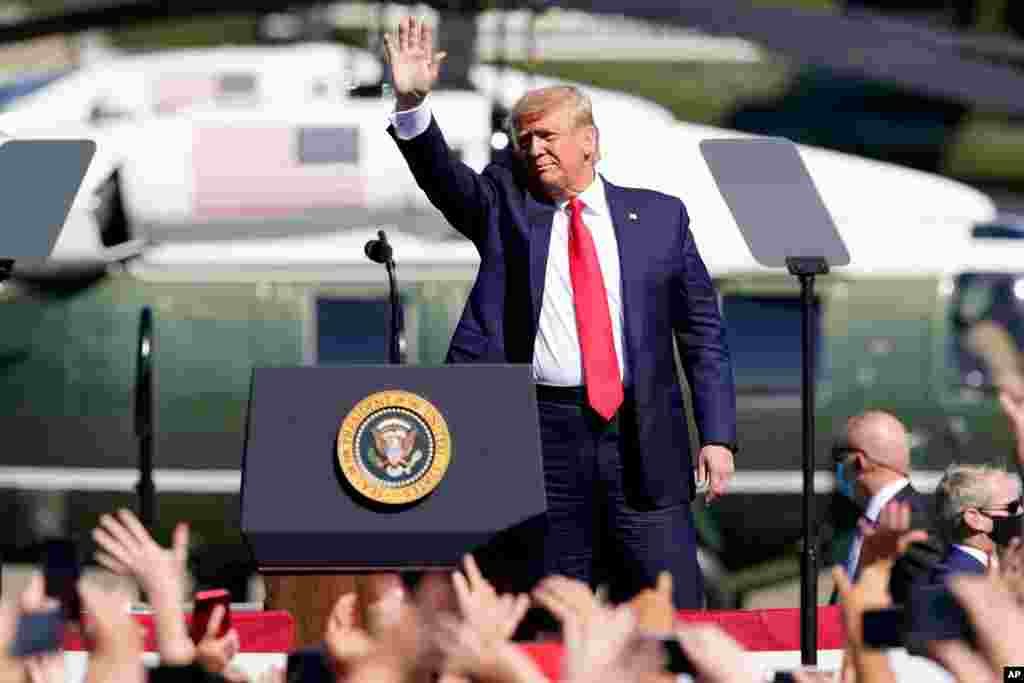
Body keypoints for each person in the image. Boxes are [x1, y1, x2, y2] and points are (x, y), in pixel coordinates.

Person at [383, 16, 737, 608]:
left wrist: (718, 435)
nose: (533, 149)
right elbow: (446, 181)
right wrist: (412, 104)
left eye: (546, 135)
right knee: (550, 606)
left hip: (641, 436)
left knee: (668, 610)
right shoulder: (505, 207)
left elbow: (701, 333)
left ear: (589, 141)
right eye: (524, 140)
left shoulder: (659, 219)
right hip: (542, 436)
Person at [829, 410, 942, 604]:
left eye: (840, 457)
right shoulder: (873, 519)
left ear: (859, 461)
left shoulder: (913, 522)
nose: (838, 467)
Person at [929, 463, 1023, 583]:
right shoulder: (959, 581)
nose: (1021, 511)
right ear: (975, 518)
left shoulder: (998, 570)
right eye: (1012, 507)